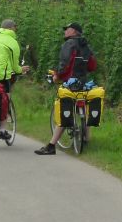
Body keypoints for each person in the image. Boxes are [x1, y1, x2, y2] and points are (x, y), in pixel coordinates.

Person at [35, 22, 94, 155]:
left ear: (73, 31)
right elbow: (92, 66)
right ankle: (86, 138)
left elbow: (65, 63)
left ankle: (51, 145)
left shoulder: (69, 44)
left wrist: (57, 75)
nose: (65, 31)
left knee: (64, 111)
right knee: (84, 107)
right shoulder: (86, 45)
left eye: (67, 29)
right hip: (82, 83)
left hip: (69, 83)